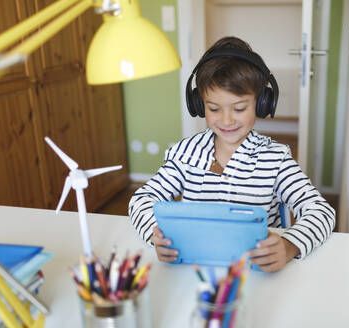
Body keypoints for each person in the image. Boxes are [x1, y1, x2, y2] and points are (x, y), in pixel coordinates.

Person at [128, 36, 335, 272]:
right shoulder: (184, 154)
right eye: (214, 108)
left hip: (255, 272)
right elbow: (140, 200)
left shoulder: (275, 159)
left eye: (239, 108)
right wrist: (156, 235)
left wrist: (290, 245)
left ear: (261, 103)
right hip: (195, 271)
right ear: (198, 104)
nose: (226, 120)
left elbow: (321, 211)